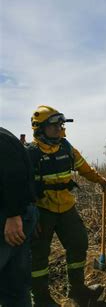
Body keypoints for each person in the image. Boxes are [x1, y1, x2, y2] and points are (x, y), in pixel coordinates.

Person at [26, 106, 106, 306]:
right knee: (39, 256)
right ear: (40, 128)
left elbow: (84, 168)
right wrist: (28, 215)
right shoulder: (30, 153)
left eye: (60, 124)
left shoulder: (67, 148)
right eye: (54, 125)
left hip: (66, 208)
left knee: (79, 243)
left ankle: (78, 290)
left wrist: (100, 181)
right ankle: (41, 299)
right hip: (41, 211)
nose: (59, 129)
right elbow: (20, 187)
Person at [0, 128, 38, 307]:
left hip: (9, 218)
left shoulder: (2, 140)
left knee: (14, 284)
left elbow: (14, 174)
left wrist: (13, 215)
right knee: (14, 283)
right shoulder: (5, 135)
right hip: (17, 215)